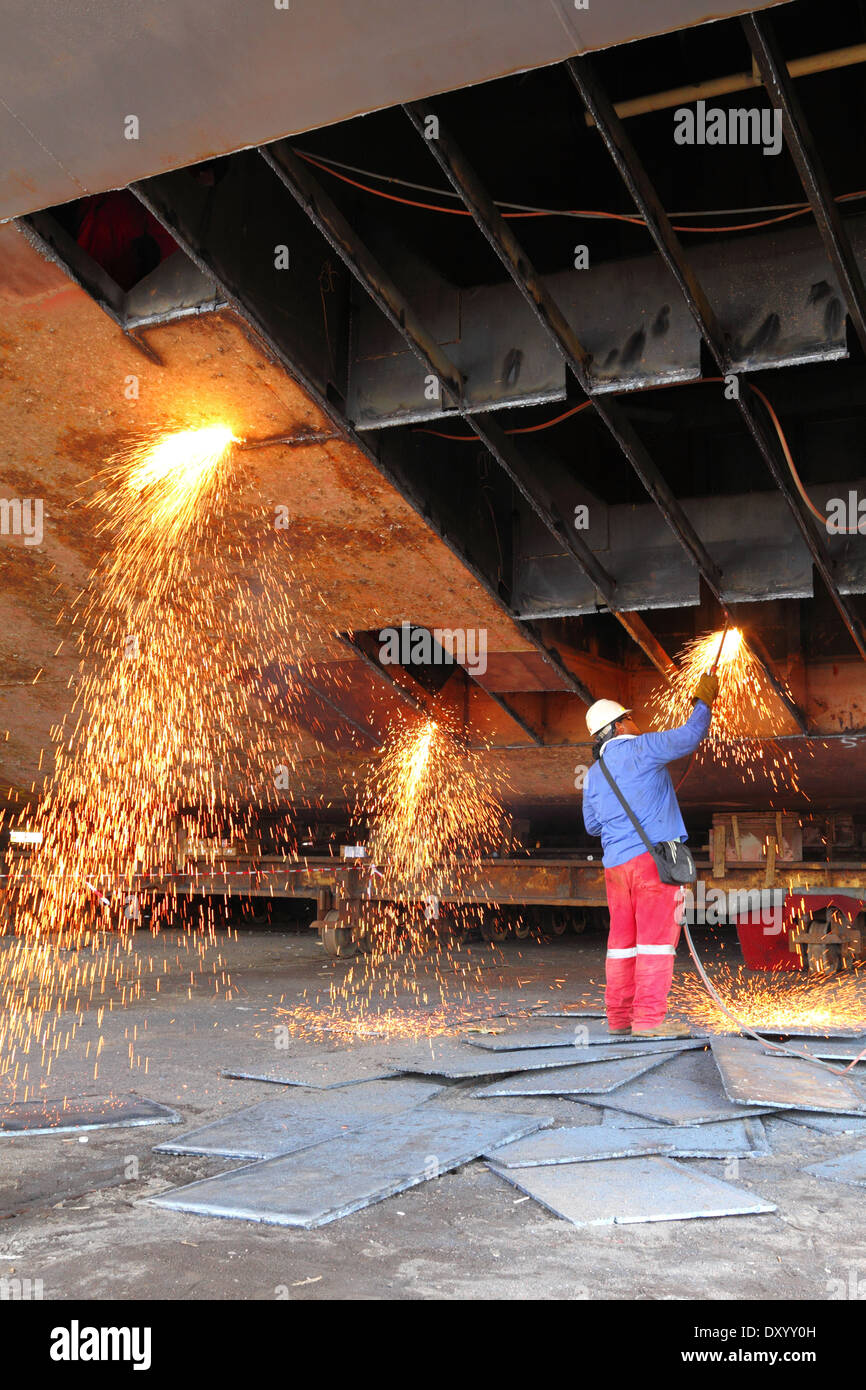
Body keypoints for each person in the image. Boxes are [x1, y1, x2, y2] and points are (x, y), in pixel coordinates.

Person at [581, 674, 718, 1038]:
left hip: (615, 869)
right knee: (656, 943)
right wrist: (704, 701)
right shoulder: (643, 748)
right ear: (619, 726)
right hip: (651, 864)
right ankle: (648, 1022)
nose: (635, 721)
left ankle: (619, 1020)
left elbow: (593, 826)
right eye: (629, 717)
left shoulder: (594, 775)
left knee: (622, 945)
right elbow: (690, 735)